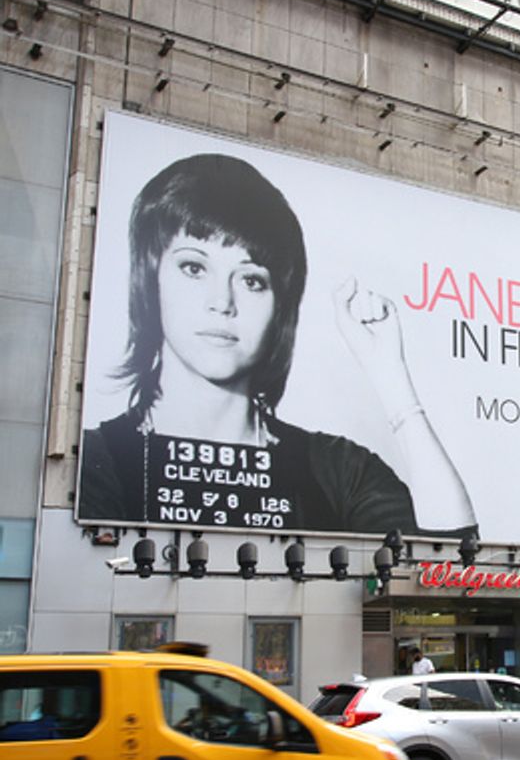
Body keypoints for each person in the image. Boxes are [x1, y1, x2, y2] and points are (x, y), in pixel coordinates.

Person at [77, 154, 476, 536]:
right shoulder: (101, 460)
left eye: (251, 280)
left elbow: (453, 558)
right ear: (151, 278)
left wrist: (389, 375)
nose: (222, 301)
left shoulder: (337, 468)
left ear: (280, 304)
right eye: (194, 267)